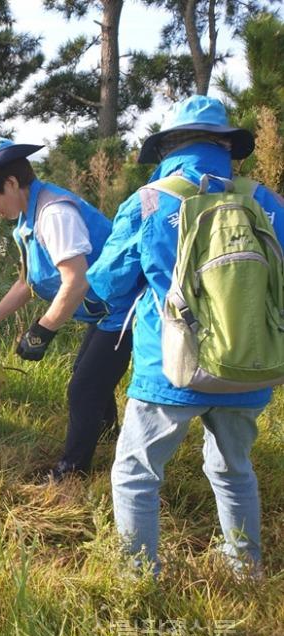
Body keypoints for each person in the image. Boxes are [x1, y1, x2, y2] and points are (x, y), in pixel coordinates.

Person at [86, 95, 284, 573]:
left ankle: (138, 576)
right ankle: (246, 570)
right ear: (226, 146)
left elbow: (108, 284)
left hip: (171, 369)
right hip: (250, 366)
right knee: (233, 469)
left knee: (136, 472)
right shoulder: (266, 201)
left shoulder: (151, 200)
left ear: (169, 146)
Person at [0, 137, 133, 481]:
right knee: (89, 374)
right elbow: (28, 282)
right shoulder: (28, 219)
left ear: (9, 184)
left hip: (125, 309)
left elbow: (76, 281)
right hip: (105, 312)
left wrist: (43, 330)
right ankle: (110, 439)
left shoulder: (54, 214)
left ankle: (71, 472)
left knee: (83, 387)